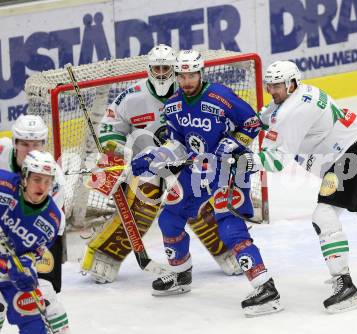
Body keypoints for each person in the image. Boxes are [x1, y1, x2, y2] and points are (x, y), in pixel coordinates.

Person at [241, 60, 357, 313]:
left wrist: (242, 161)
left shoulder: (292, 112)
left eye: (277, 85)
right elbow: (271, 116)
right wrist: (259, 121)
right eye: (269, 85)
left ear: (292, 84)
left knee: (323, 215)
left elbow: (275, 161)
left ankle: (345, 286)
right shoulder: (300, 95)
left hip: (348, 157)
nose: (272, 90)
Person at [131, 49, 283, 317]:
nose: (187, 80)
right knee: (170, 217)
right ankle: (180, 275)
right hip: (198, 169)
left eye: (192, 74)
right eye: (183, 75)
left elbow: (251, 123)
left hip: (230, 168)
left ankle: (265, 286)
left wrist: (234, 143)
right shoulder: (173, 105)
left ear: (201, 73)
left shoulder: (220, 96)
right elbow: (177, 143)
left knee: (229, 226)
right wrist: (155, 156)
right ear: (177, 76)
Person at [81, 44, 241, 284]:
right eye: (157, 68)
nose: (162, 73)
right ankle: (106, 256)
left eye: (167, 68)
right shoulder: (132, 96)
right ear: (148, 69)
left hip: (187, 161)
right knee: (142, 204)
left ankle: (228, 249)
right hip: (147, 164)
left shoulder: (191, 94)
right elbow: (109, 128)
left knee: (200, 202)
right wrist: (118, 152)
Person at [0, 115, 70, 332]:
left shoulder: (54, 177)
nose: (30, 149)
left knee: (45, 294)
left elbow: (47, 223)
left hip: (27, 237)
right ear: (15, 143)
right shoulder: (1, 153)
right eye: (25, 144)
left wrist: (28, 259)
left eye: (37, 144)